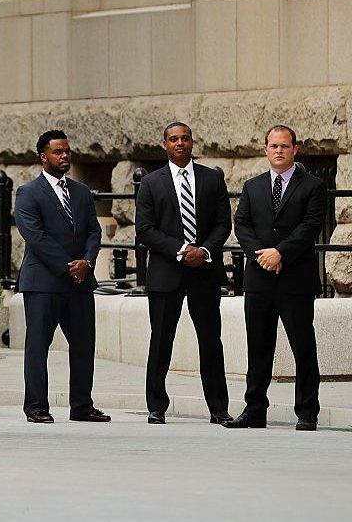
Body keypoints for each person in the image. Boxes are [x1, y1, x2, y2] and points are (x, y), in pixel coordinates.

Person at [224, 125, 324, 431]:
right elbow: (241, 225)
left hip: (295, 280)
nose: (279, 151)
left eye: (285, 146)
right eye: (273, 146)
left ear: (295, 149)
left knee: (303, 345)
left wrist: (280, 253)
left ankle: (307, 412)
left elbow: (311, 226)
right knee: (258, 346)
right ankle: (255, 409)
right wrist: (262, 255)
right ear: (265, 149)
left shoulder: (313, 186)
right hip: (259, 279)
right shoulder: (253, 187)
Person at [134, 122, 232, 425]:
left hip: (203, 270)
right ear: (165, 144)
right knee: (161, 339)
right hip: (167, 272)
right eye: (174, 139)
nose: (180, 143)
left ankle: (218, 408)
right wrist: (181, 250)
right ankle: (156, 406)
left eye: (185, 138)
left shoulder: (212, 179)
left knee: (211, 341)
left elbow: (222, 224)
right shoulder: (151, 182)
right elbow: (145, 229)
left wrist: (202, 251)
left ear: (192, 142)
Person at [14, 130, 109, 424]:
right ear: (44, 157)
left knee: (83, 345)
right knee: (38, 346)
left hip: (80, 283)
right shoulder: (28, 193)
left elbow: (94, 231)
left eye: (67, 151)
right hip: (44, 283)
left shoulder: (81, 192)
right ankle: (37, 407)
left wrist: (87, 262)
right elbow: (35, 236)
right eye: (58, 152)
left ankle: (82, 406)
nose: (65, 156)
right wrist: (69, 265)